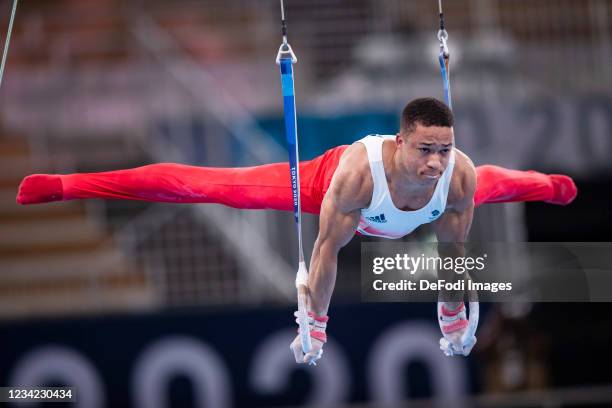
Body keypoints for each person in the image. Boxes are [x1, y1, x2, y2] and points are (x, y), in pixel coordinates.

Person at [16, 98, 577, 364]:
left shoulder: (458, 176)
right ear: (400, 141)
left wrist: (453, 311)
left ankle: (553, 184)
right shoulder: (359, 177)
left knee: (509, 182)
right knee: (202, 185)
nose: (435, 161)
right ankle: (66, 185)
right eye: (425, 149)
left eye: (444, 150)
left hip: (412, 215)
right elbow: (328, 252)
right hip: (322, 185)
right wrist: (315, 318)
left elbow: (453, 251)